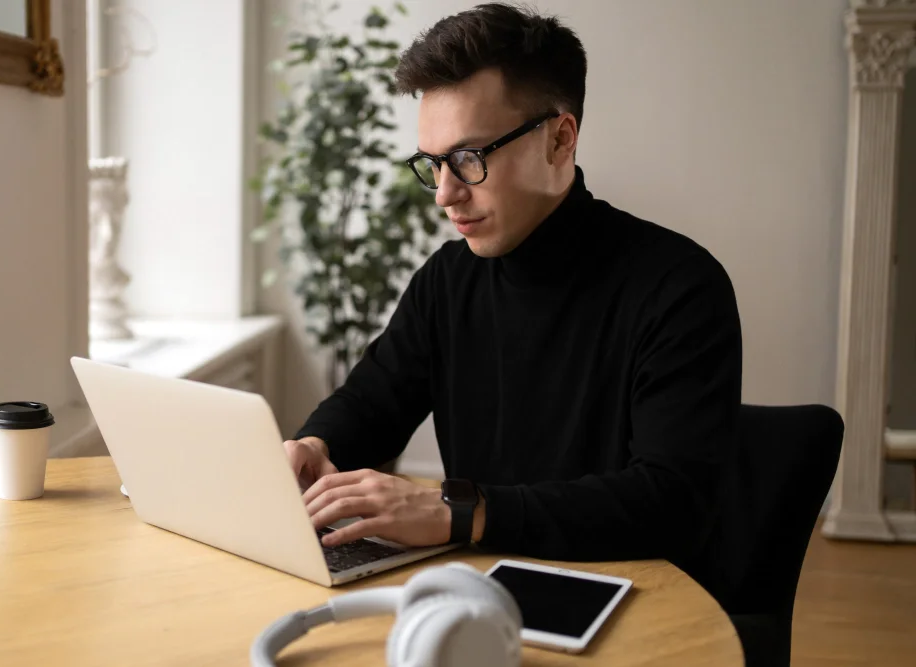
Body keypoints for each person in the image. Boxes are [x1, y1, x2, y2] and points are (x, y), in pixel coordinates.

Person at [283, 3, 742, 564]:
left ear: (560, 140)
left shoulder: (680, 288)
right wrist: (314, 445)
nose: (445, 194)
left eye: (469, 158)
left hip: (632, 592)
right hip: (478, 584)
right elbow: (373, 399)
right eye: (433, 163)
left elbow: (671, 503)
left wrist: (460, 512)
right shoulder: (447, 281)